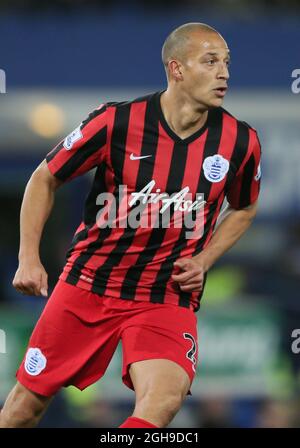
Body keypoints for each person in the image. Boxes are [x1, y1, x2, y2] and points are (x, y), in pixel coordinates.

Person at [0, 22, 261, 428]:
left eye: (226, 62)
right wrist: (28, 258)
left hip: (165, 295)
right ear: (176, 69)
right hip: (90, 285)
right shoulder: (116, 122)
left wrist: (206, 258)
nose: (224, 72)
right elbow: (44, 177)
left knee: (162, 402)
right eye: (210, 62)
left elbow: (244, 208)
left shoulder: (240, 142)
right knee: (23, 410)